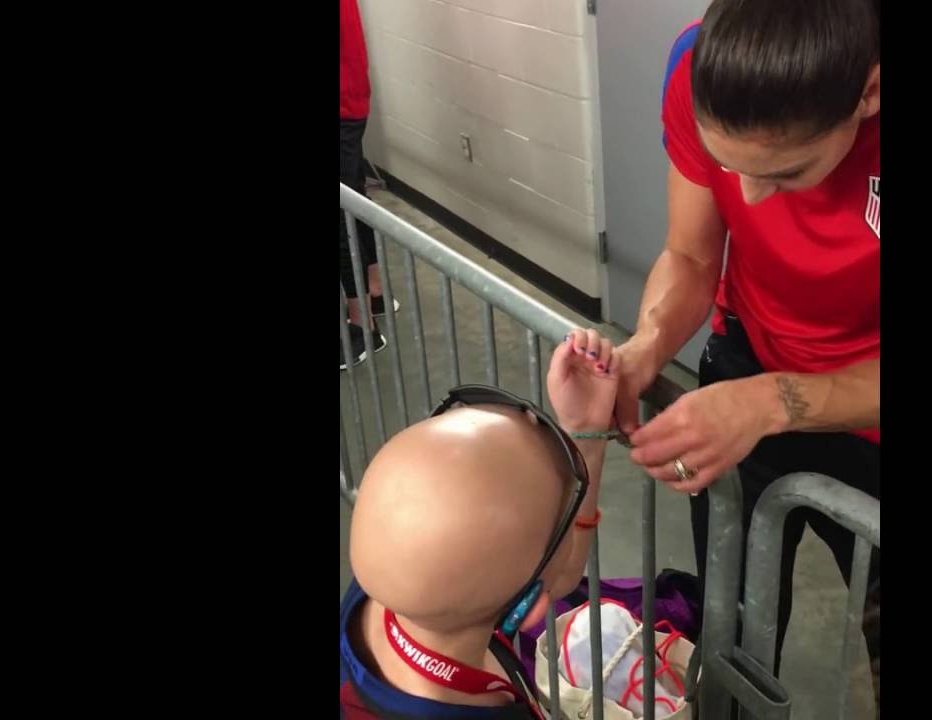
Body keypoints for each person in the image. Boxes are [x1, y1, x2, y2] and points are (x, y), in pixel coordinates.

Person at [611, 0, 881, 700]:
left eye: (787, 172)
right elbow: (692, 256)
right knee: (729, 636)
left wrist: (772, 403)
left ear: (869, 92)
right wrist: (642, 350)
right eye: (732, 168)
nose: (753, 199)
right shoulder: (698, 66)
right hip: (751, 358)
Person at [341, 329, 620, 719]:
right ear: (526, 607)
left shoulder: (389, 593)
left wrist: (585, 432)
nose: (532, 414)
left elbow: (558, 573)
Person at [340, 0, 395, 370]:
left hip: (343, 105)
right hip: (350, 100)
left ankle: (363, 327)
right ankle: (373, 292)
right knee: (353, 197)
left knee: (342, 216)